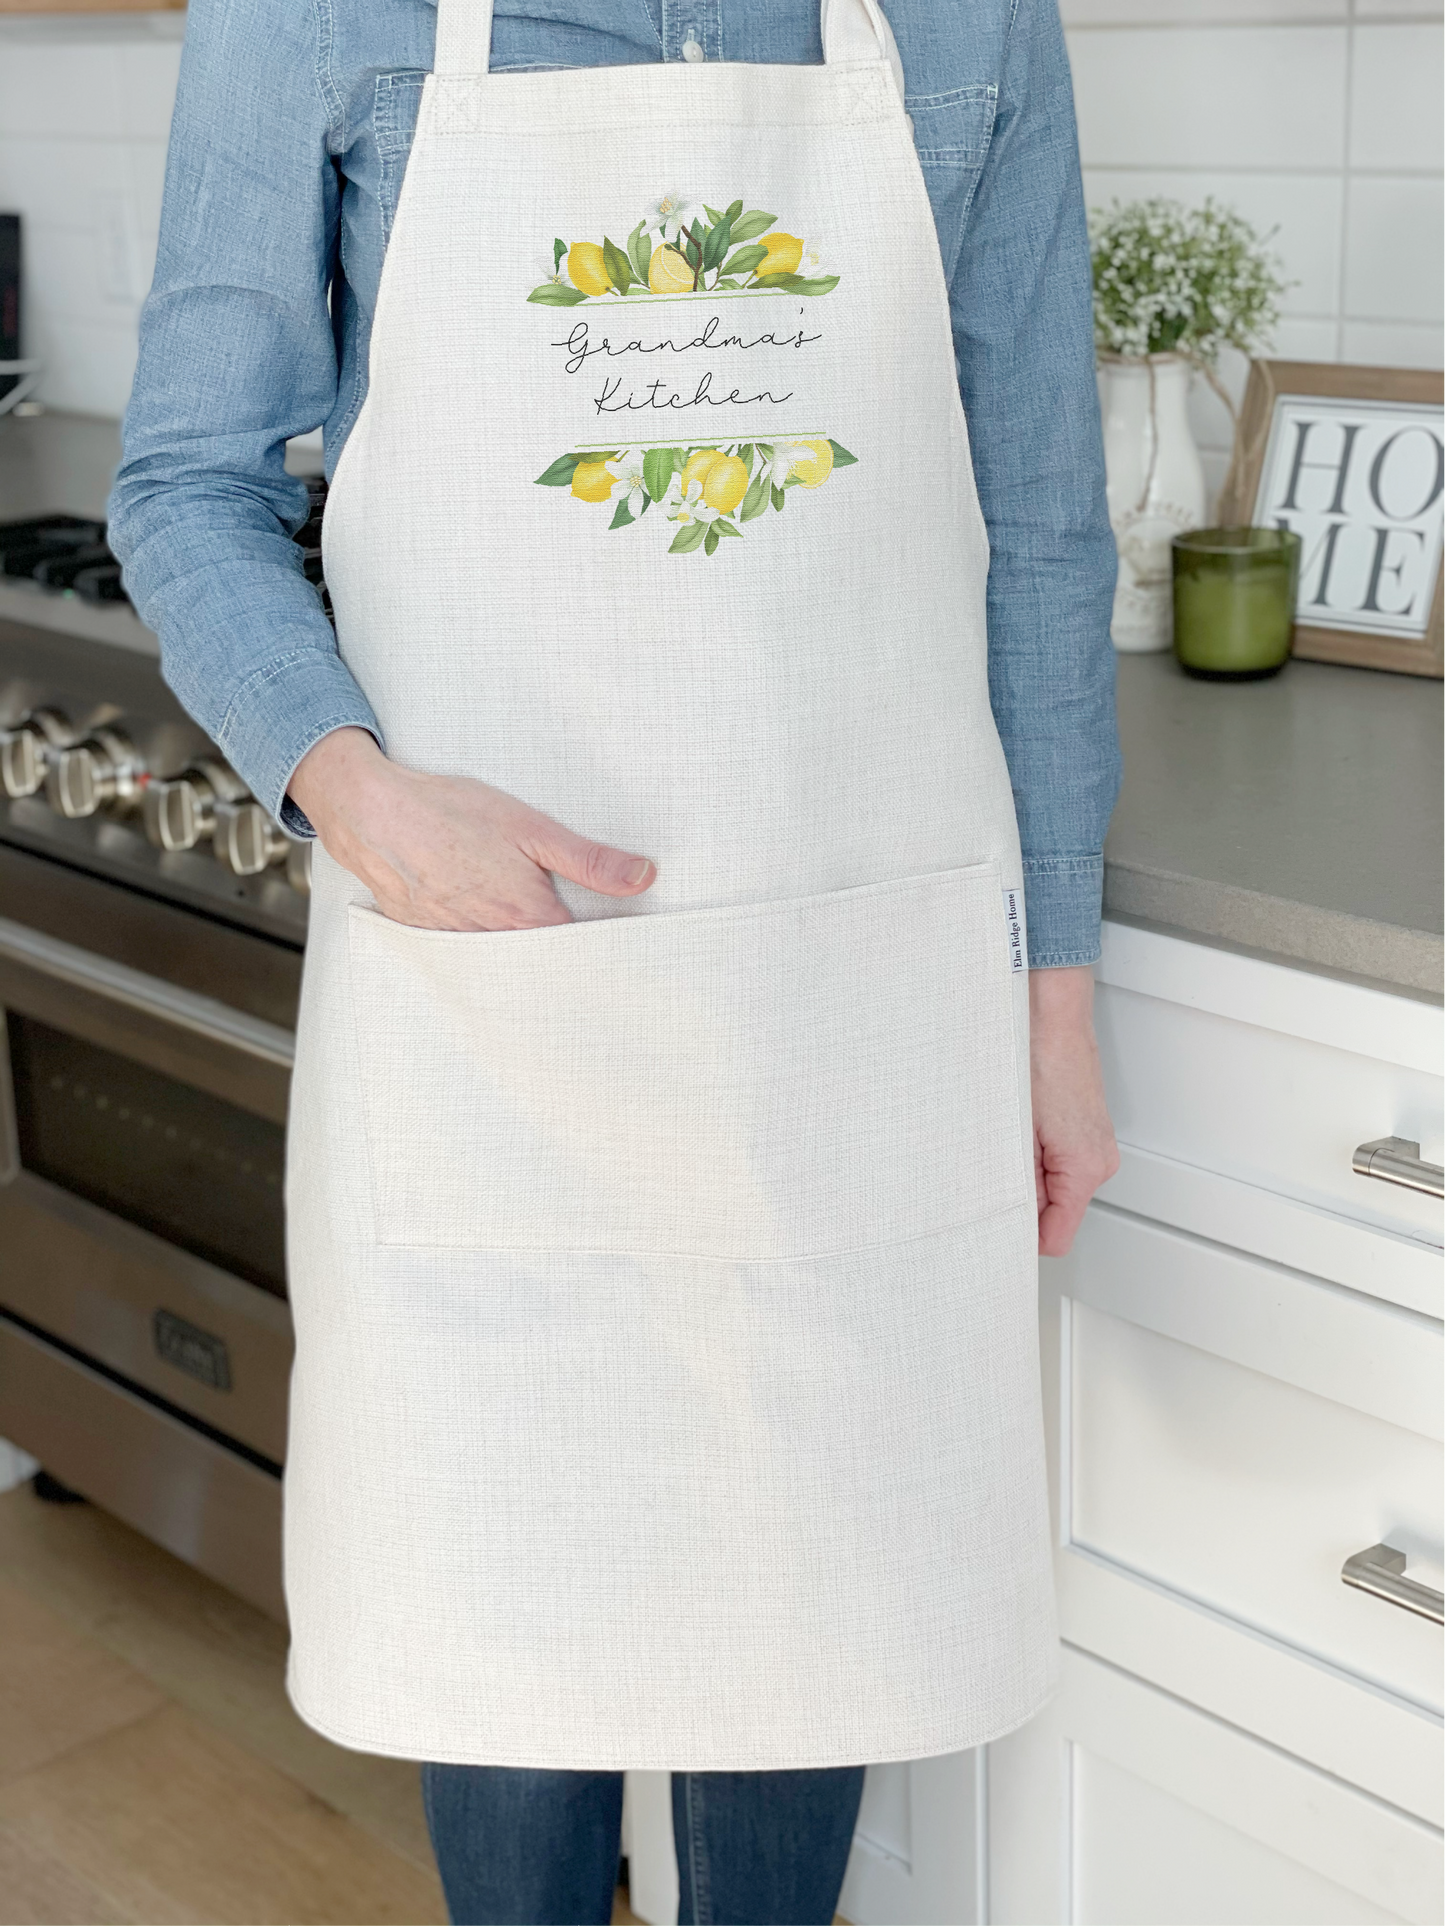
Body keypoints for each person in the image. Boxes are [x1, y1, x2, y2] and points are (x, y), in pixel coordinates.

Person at [109, 2, 1122, 1921]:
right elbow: (185, 484)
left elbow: (1046, 532)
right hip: (492, 1011)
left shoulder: (974, 21)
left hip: (844, 1023)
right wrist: (361, 792)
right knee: (509, 1637)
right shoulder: (311, 14)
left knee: (810, 1631)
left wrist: (1052, 998)